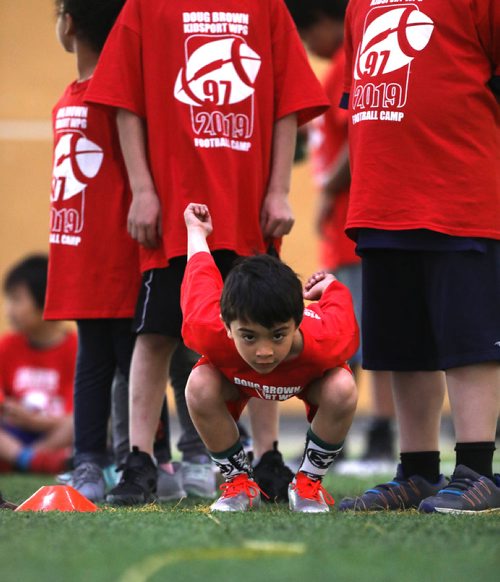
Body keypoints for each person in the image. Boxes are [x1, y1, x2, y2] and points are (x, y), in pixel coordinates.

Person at [85, 0, 330, 506]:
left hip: (247, 211)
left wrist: (279, 188)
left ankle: (267, 457)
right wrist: (143, 190)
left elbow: (287, 102)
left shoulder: (267, 9)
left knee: (263, 332)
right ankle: (139, 459)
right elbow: (125, 102)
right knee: (155, 333)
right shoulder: (145, 9)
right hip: (175, 207)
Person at [337, 0, 499, 513]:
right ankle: (418, 470)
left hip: (461, 194)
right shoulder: (358, 4)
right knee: (402, 345)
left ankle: (477, 469)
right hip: (383, 198)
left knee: (469, 340)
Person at [45, 0, 184, 502]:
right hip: (80, 253)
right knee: (93, 359)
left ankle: (150, 461)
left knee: (139, 358)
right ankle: (87, 461)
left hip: (124, 252)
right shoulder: (70, 94)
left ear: (69, 23)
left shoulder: (121, 97)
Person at [180, 203, 358, 513]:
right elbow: (200, 272)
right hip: (233, 382)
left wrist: (330, 287)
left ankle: (308, 484)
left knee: (343, 387)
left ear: (299, 320)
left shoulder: (328, 337)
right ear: (225, 324)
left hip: (306, 380)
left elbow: (340, 305)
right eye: (248, 336)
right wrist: (197, 231)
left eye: (278, 335)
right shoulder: (206, 325)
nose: (264, 352)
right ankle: (239, 483)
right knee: (198, 384)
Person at [287, 0, 396, 466]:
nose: (308, 47)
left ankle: (378, 433)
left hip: (355, 226)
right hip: (345, 231)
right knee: (354, 335)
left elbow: (360, 136)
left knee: (364, 337)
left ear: (325, 22)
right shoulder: (338, 68)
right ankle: (350, 433)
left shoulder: (348, 65)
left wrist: (330, 191)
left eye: (306, 34)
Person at [0, 255, 76, 474]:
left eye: (16, 299)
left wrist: (34, 421)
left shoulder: (75, 348)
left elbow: (76, 417)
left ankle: (23, 458)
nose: (9, 310)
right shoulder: (7, 346)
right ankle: (33, 460)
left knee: (85, 423)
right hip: (14, 434)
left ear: (46, 300)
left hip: (56, 434)